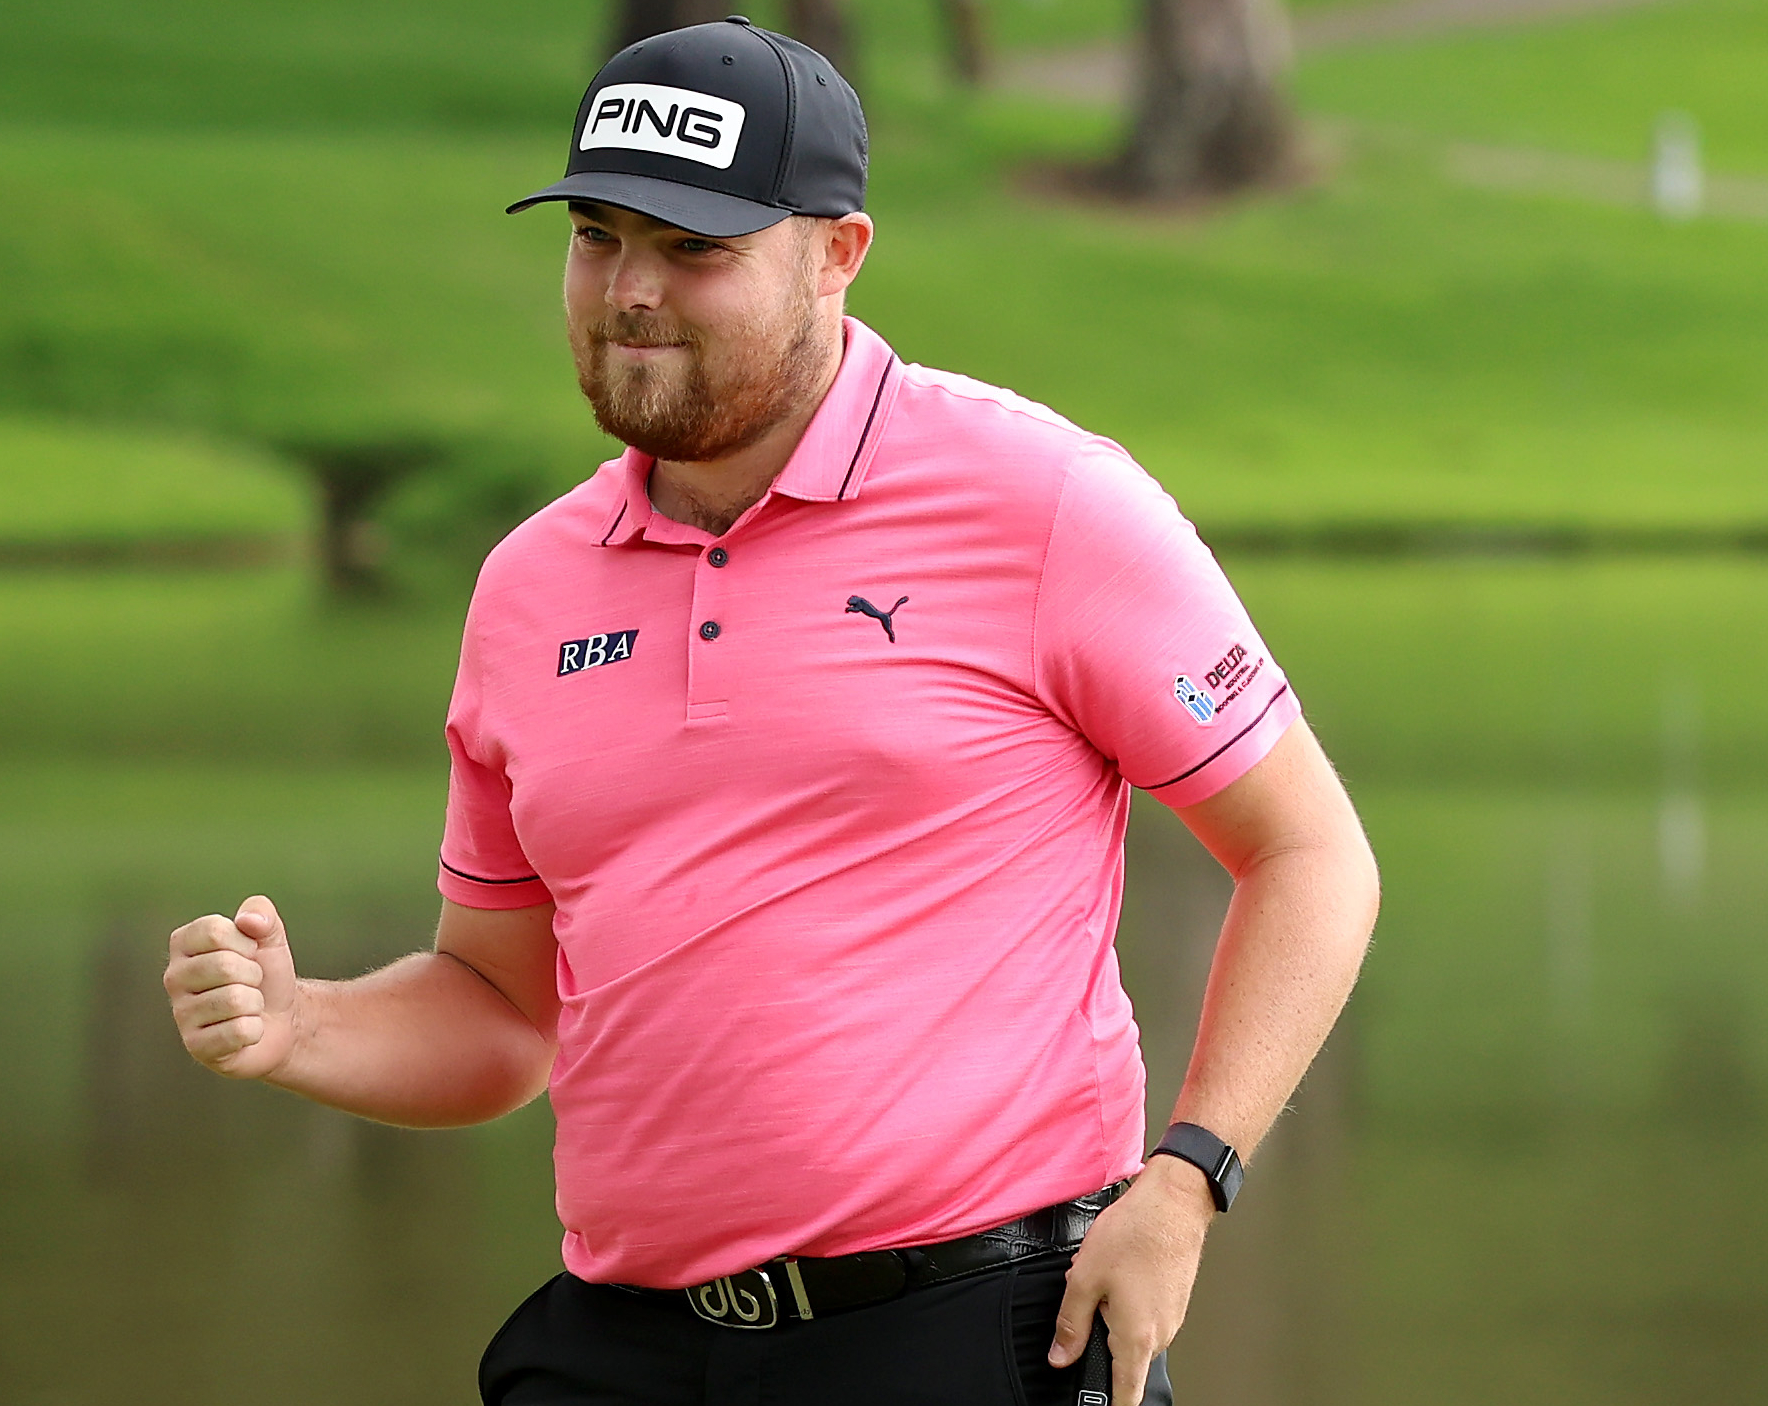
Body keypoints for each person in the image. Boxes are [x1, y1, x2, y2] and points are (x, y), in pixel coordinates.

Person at [162, 17, 1378, 1406]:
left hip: (975, 1332)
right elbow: (505, 1007)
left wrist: (1190, 1177)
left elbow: (1308, 854)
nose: (631, 290)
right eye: (600, 236)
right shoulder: (527, 589)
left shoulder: (1044, 504)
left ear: (836, 255)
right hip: (625, 1347)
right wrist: (298, 1024)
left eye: (696, 249)